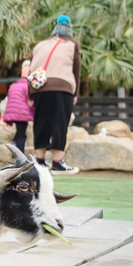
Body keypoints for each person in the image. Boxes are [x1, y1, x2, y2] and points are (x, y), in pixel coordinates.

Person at [28, 15, 81, 174]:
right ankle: (58, 162)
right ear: (69, 30)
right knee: (59, 123)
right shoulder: (72, 45)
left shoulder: (40, 45)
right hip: (62, 87)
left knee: (41, 123)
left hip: (39, 88)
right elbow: (76, 70)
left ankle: (40, 162)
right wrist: (75, 92)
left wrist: (31, 95)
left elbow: (31, 69)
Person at [2, 60, 34, 154]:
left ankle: (15, 148)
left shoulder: (14, 86)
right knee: (22, 135)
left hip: (14, 114)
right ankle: (19, 155)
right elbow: (31, 101)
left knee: (19, 132)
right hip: (22, 114)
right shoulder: (28, 86)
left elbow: (10, 101)